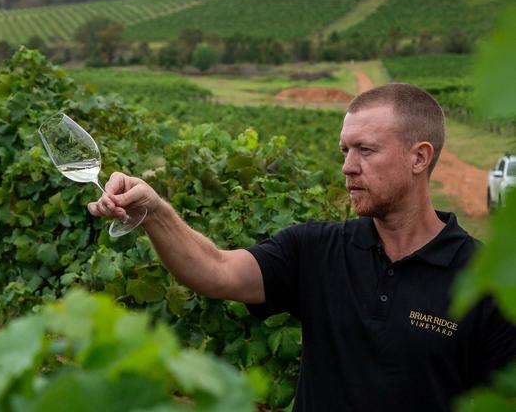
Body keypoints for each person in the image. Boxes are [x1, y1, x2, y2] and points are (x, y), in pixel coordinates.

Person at [88, 83, 516, 411]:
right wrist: (156, 212)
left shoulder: (485, 280)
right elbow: (215, 271)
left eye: (366, 150)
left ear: (419, 158)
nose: (348, 166)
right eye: (345, 150)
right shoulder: (315, 249)